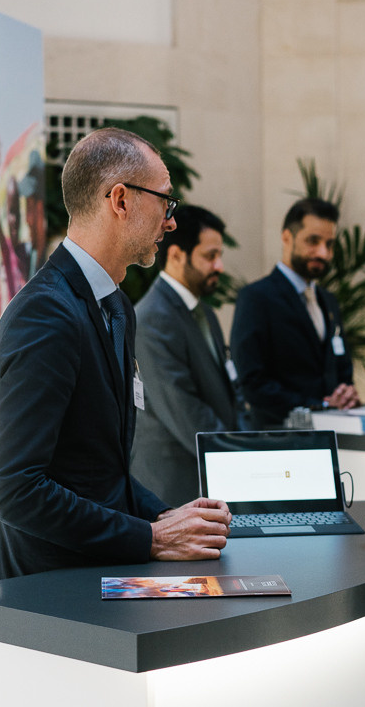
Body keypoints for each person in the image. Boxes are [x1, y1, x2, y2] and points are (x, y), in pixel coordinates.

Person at [0, 128, 231, 597]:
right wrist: (150, 537)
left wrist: (167, 515)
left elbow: (99, 473)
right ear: (120, 200)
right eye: (165, 203)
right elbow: (13, 487)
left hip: (93, 578)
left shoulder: (115, 307)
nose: (171, 222)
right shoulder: (45, 315)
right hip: (41, 594)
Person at [130, 204, 244, 506]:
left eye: (219, 255)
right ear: (177, 254)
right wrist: (246, 459)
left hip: (211, 484)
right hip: (173, 494)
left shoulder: (204, 312)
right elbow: (186, 412)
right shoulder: (152, 319)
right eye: (210, 256)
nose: (219, 266)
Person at [230, 197, 358, 428]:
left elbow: (341, 367)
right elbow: (253, 382)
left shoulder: (329, 301)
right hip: (279, 438)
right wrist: (318, 407)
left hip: (333, 435)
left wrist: (345, 393)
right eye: (313, 241)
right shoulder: (256, 298)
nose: (323, 253)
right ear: (287, 237)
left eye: (329, 244)